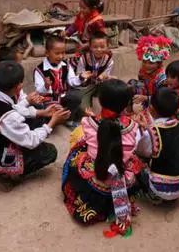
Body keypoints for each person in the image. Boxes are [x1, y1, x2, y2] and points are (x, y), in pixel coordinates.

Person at [62, 79, 148, 237]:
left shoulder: (88, 122)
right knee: (133, 159)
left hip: (97, 177)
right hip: (123, 179)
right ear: (125, 104)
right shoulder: (132, 126)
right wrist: (142, 127)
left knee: (77, 149)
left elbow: (97, 134)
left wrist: (91, 117)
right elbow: (131, 144)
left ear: (100, 101)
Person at [0, 61, 70, 179]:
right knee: (50, 152)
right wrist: (52, 122)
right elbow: (31, 141)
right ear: (18, 86)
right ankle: (6, 174)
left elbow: (15, 108)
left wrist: (43, 112)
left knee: (36, 117)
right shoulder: (8, 117)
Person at [136, 87, 179, 203]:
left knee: (134, 159)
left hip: (161, 189)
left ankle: (153, 194)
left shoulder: (152, 132)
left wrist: (141, 130)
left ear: (151, 109)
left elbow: (142, 151)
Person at [34, 36, 83, 127]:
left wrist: (80, 77)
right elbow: (39, 91)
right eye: (57, 53)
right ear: (47, 53)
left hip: (63, 97)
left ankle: (69, 119)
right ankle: (51, 121)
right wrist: (46, 86)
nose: (61, 56)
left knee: (76, 96)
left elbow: (72, 81)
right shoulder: (39, 70)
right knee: (49, 113)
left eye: (63, 53)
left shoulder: (66, 65)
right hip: (49, 100)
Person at [74, 32, 114, 110]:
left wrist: (104, 77)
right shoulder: (84, 58)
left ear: (107, 47)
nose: (99, 50)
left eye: (102, 47)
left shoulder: (109, 61)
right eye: (95, 47)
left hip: (101, 85)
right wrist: (84, 77)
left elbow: (106, 75)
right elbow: (78, 75)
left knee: (112, 94)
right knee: (83, 109)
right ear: (90, 47)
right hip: (86, 86)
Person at [132, 35, 172, 108]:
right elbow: (142, 85)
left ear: (159, 64)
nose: (146, 65)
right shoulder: (142, 72)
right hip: (147, 97)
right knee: (132, 84)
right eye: (144, 62)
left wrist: (145, 98)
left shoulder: (162, 79)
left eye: (151, 63)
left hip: (159, 103)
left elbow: (162, 99)